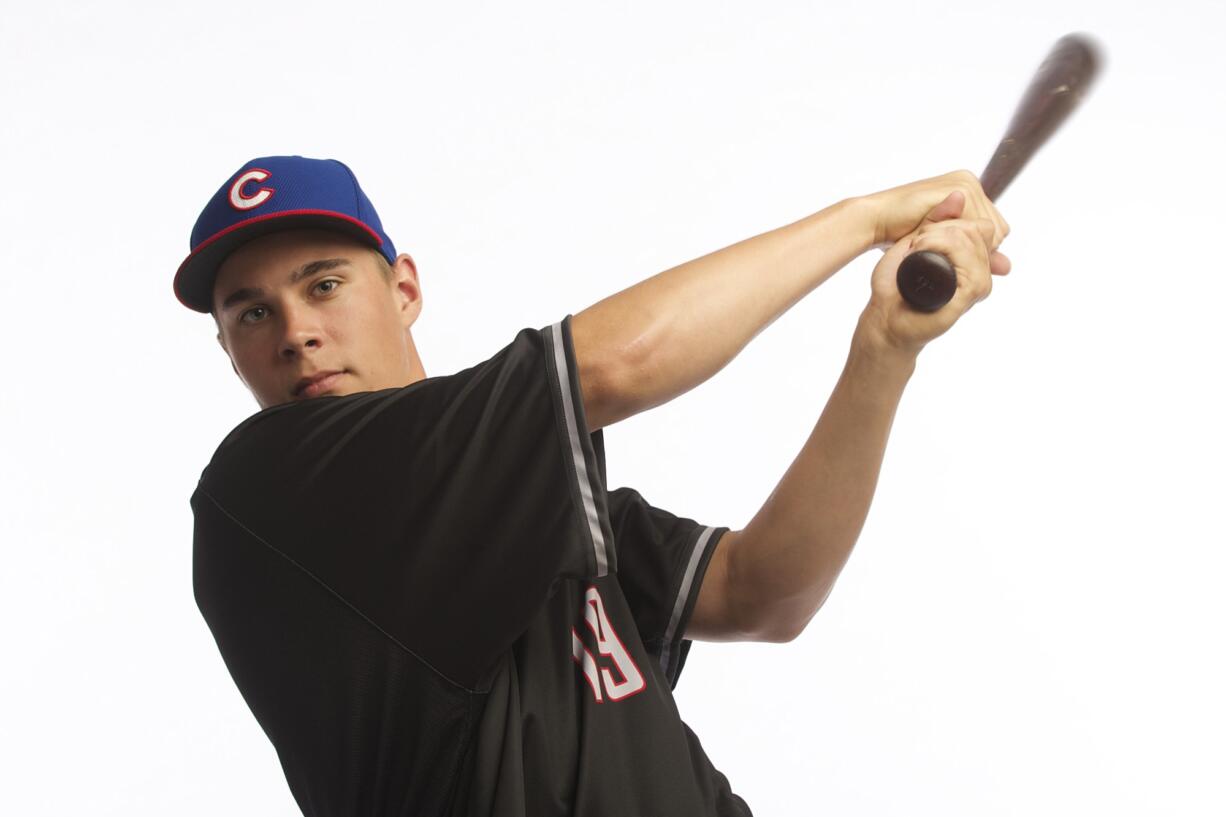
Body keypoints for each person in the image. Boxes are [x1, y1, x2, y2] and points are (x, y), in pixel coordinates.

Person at [177, 155, 1009, 816]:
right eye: (251, 314)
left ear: (404, 290)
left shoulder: (525, 491)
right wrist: (865, 219)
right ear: (228, 349)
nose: (296, 334)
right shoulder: (262, 490)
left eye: (323, 285)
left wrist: (885, 347)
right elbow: (619, 362)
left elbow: (763, 593)